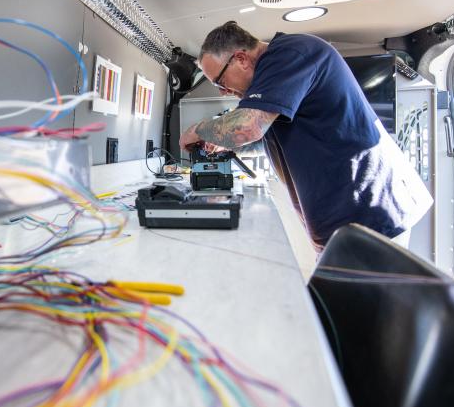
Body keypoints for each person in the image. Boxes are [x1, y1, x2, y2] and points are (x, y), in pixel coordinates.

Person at [179, 21, 431, 252]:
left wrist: (199, 129)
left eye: (220, 82)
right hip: (344, 222)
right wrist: (226, 144)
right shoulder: (272, 79)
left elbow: (248, 127)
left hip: (370, 212)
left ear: (241, 59)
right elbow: (270, 136)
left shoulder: (290, 54)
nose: (224, 91)